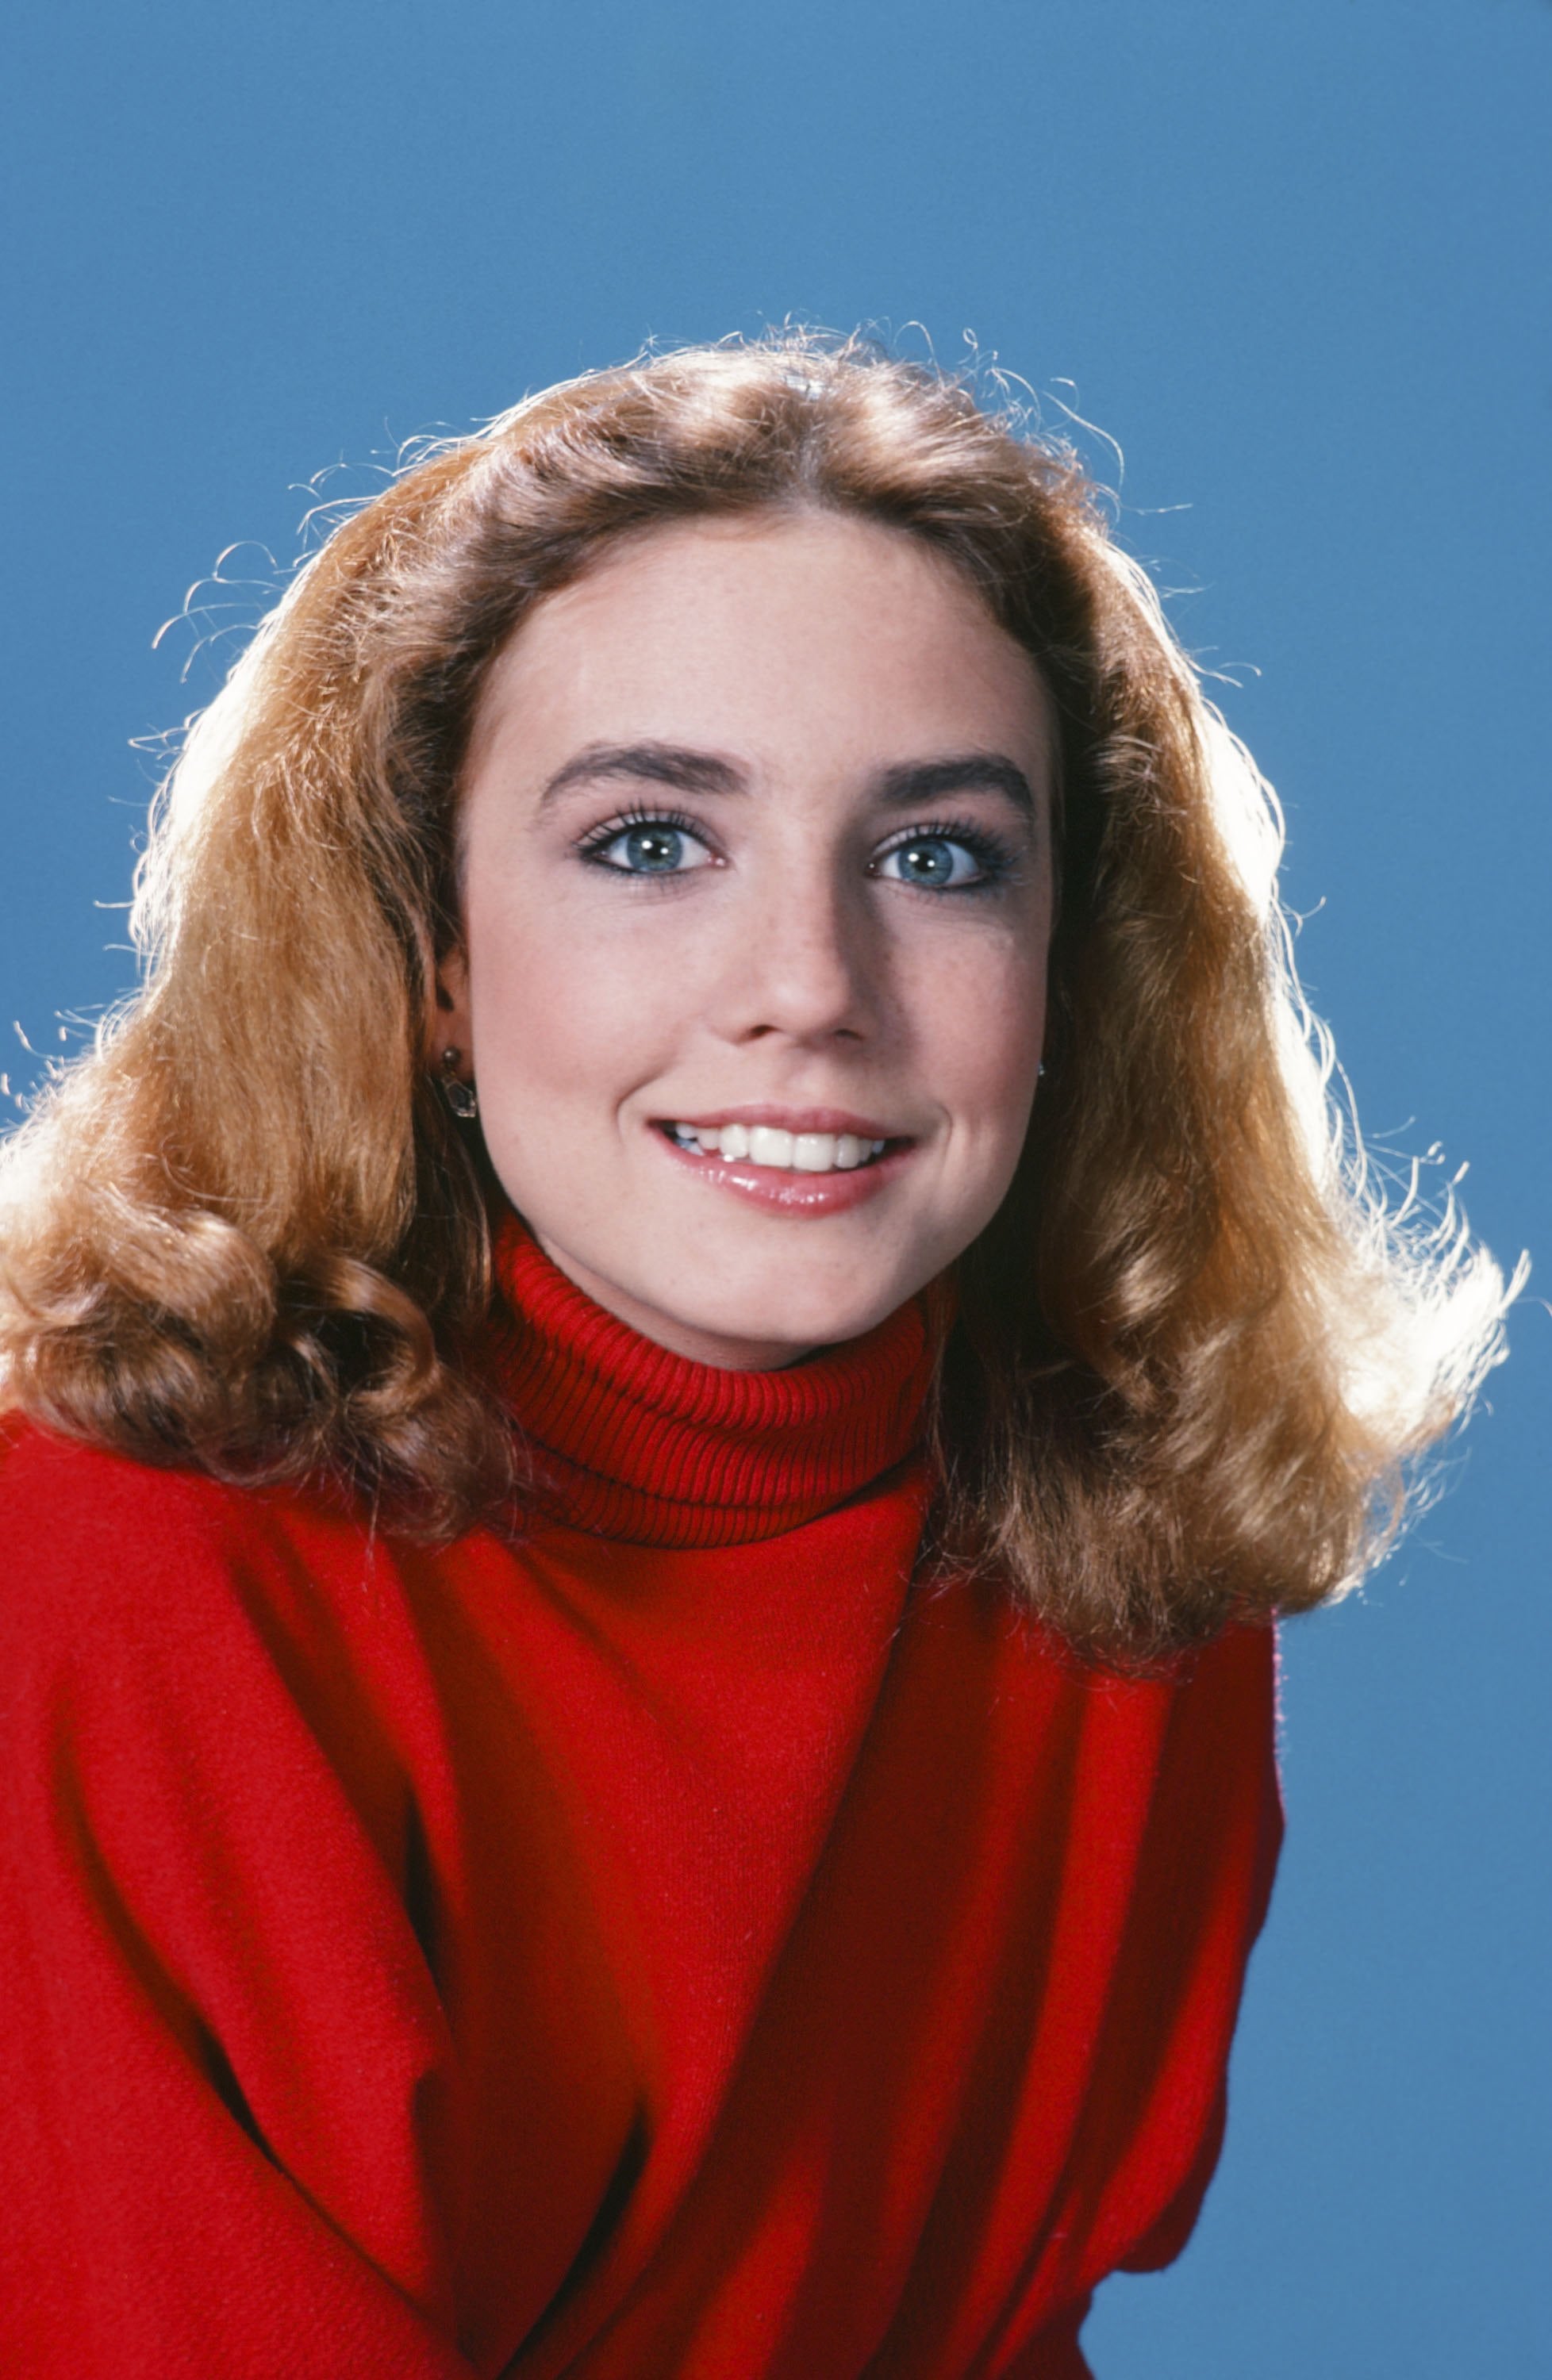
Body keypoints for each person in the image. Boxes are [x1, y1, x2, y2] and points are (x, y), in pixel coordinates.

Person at [0, 333, 1511, 2378]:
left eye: (937, 857)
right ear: (432, 954)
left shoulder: (1121, 1563)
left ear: (1069, 971)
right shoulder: (120, 1570)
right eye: (650, 841)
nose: (811, 988)